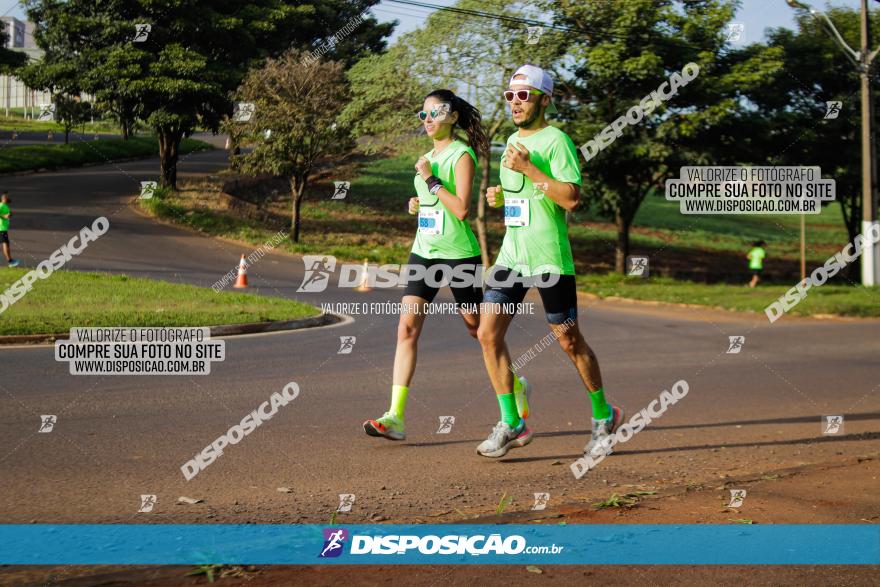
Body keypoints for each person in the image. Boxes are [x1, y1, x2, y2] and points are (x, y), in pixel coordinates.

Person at [363, 89, 530, 441]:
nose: (428, 120)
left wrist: (429, 180)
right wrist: (418, 202)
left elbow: (461, 209)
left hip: (458, 255)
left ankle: (515, 385)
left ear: (452, 116)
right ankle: (395, 416)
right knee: (406, 329)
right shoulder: (426, 157)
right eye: (422, 115)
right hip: (424, 252)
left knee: (477, 330)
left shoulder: (461, 154)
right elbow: (435, 203)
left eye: (435, 113)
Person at [475, 65, 624, 458]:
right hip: (512, 254)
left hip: (549, 258)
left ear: (544, 98)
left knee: (568, 340)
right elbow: (526, 197)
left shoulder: (558, 141)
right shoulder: (510, 140)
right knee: (487, 334)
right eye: (510, 97)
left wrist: (529, 168)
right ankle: (512, 422)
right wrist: (502, 198)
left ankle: (603, 415)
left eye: (524, 96)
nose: (516, 104)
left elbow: (571, 198)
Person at [0, 191, 20, 267]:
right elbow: (3, 215)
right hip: (1, 229)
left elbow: (6, 215)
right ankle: (10, 261)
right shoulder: (1, 205)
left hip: (2, 228)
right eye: (6, 197)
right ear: (3, 198)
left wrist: (9, 215)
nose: (8, 198)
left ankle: (10, 261)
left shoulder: (4, 205)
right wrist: (5, 216)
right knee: (6, 244)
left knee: (6, 244)